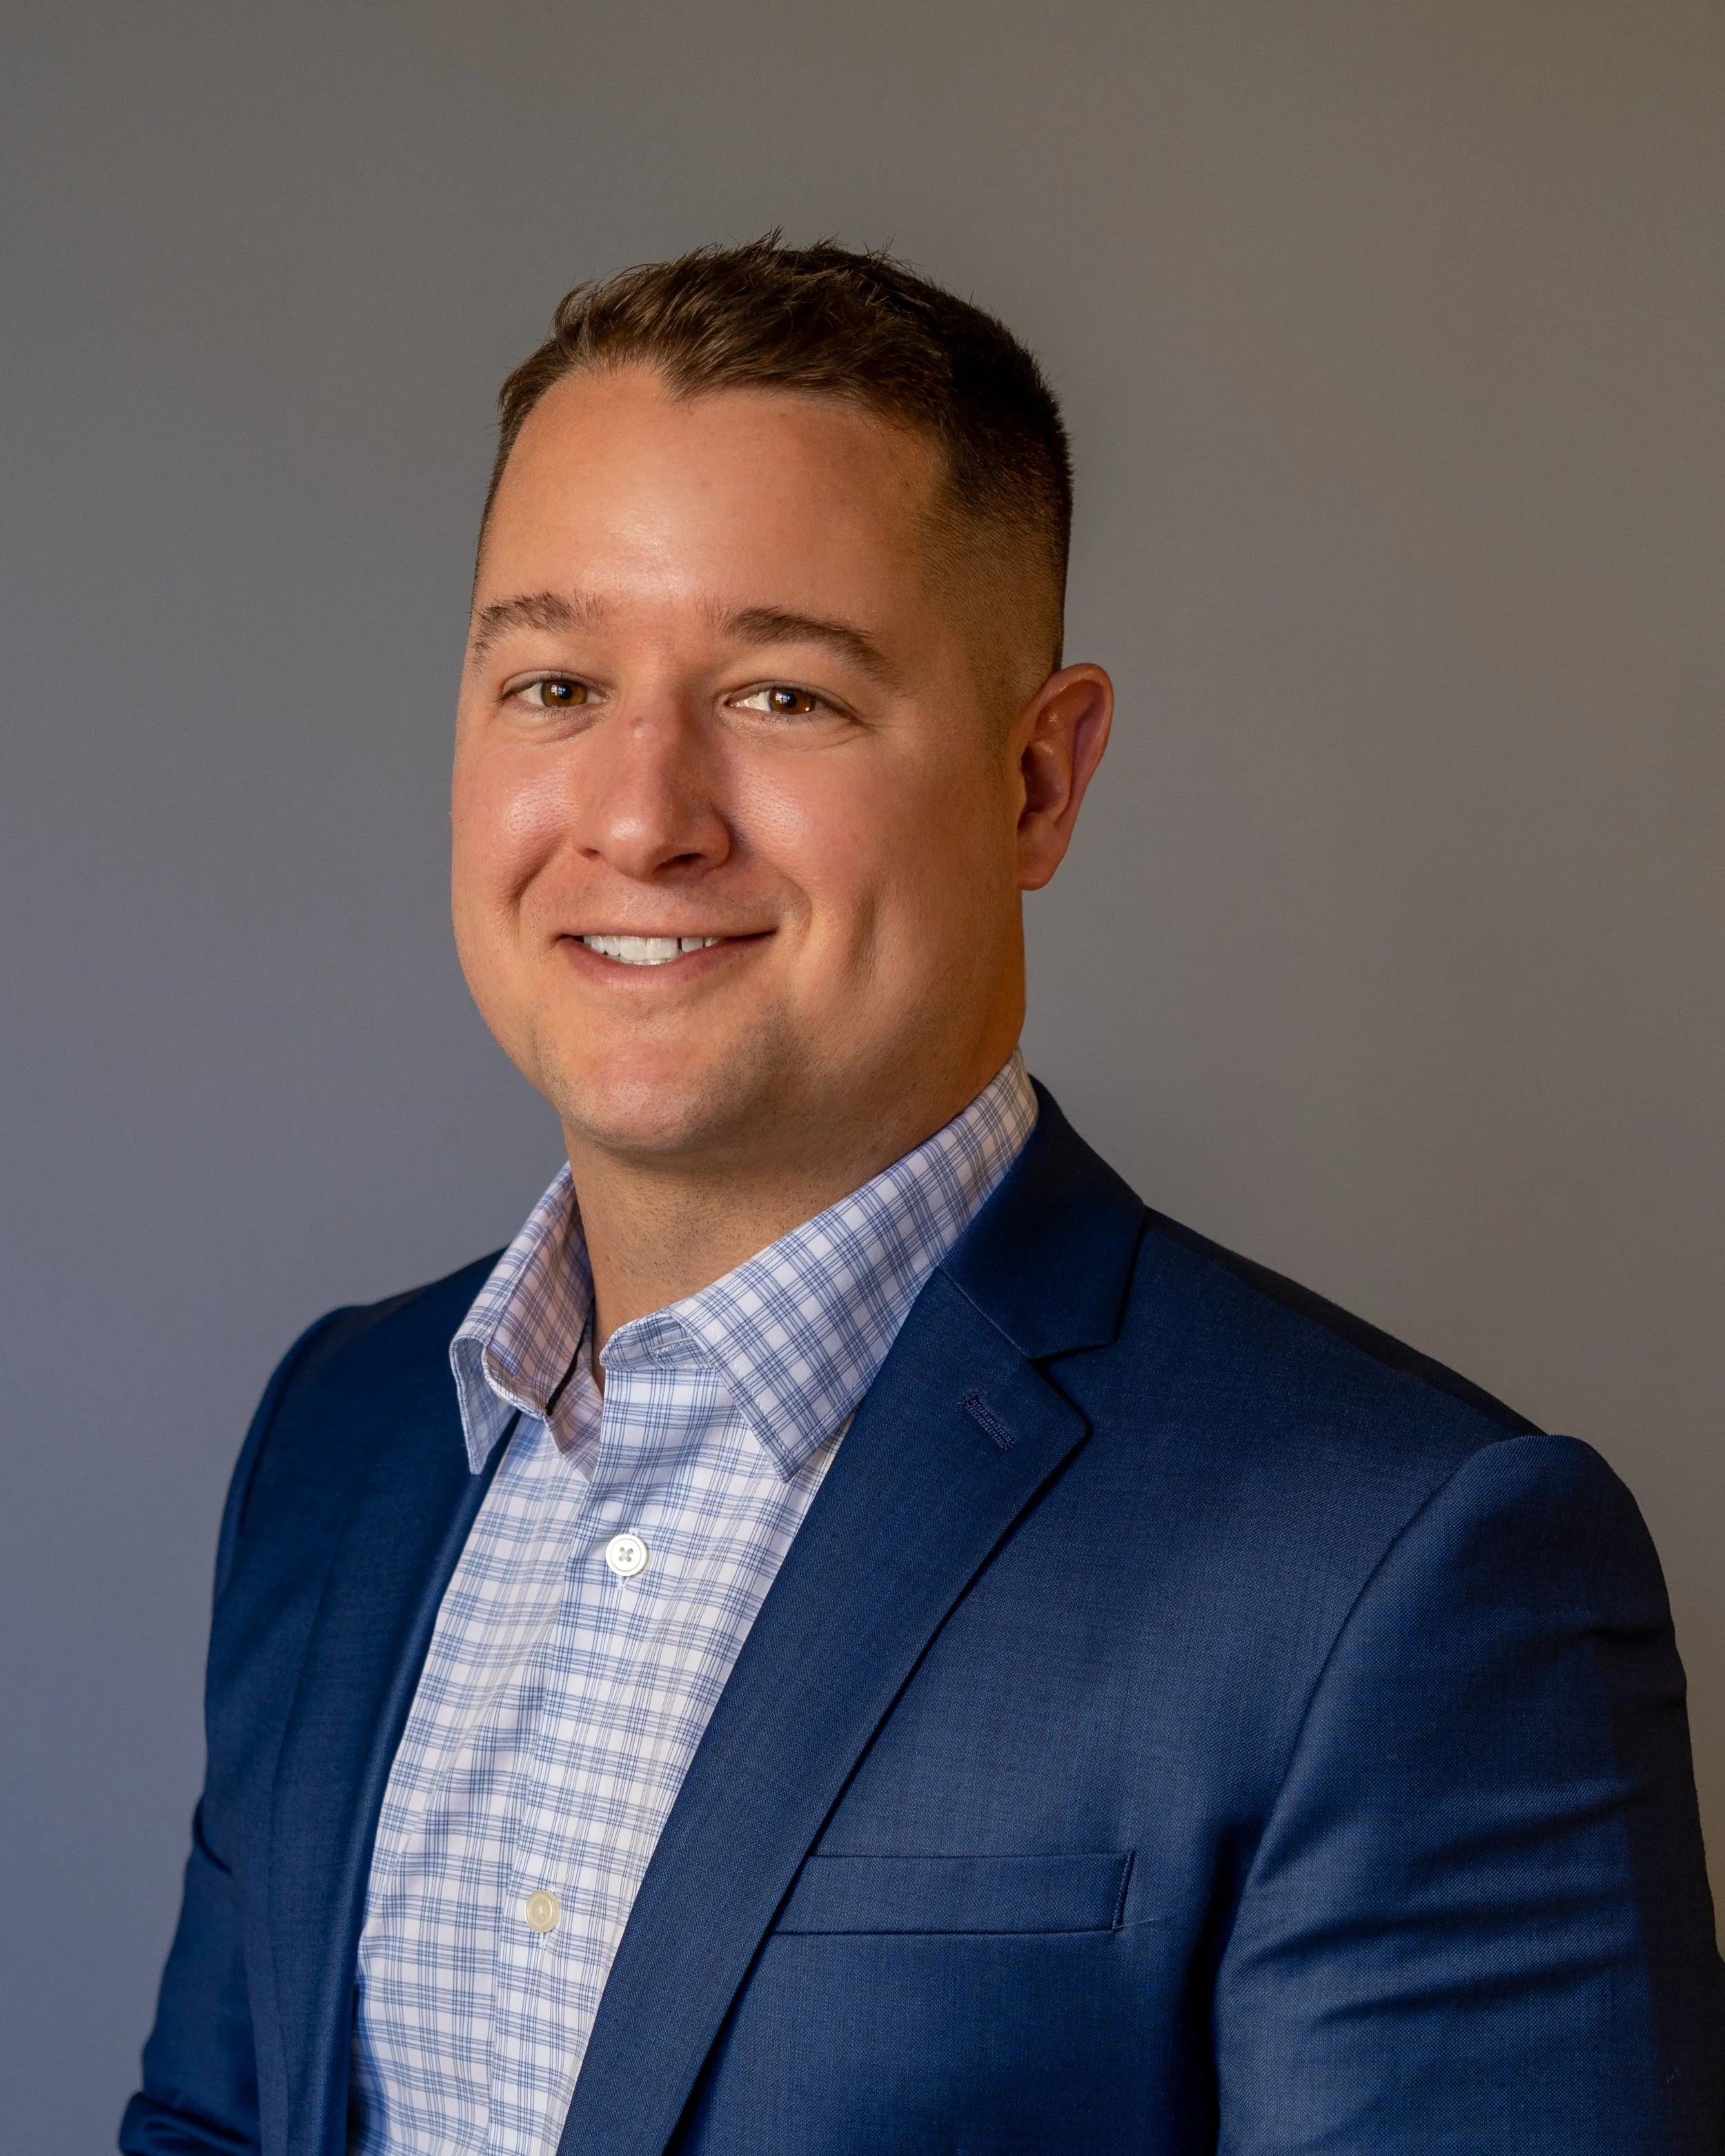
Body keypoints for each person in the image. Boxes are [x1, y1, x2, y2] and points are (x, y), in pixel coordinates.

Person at [121, 237, 1721, 2156]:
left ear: (1037, 782)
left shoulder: (1401, 1572)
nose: (638, 812)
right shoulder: (342, 1438)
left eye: (782, 695)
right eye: (554, 679)